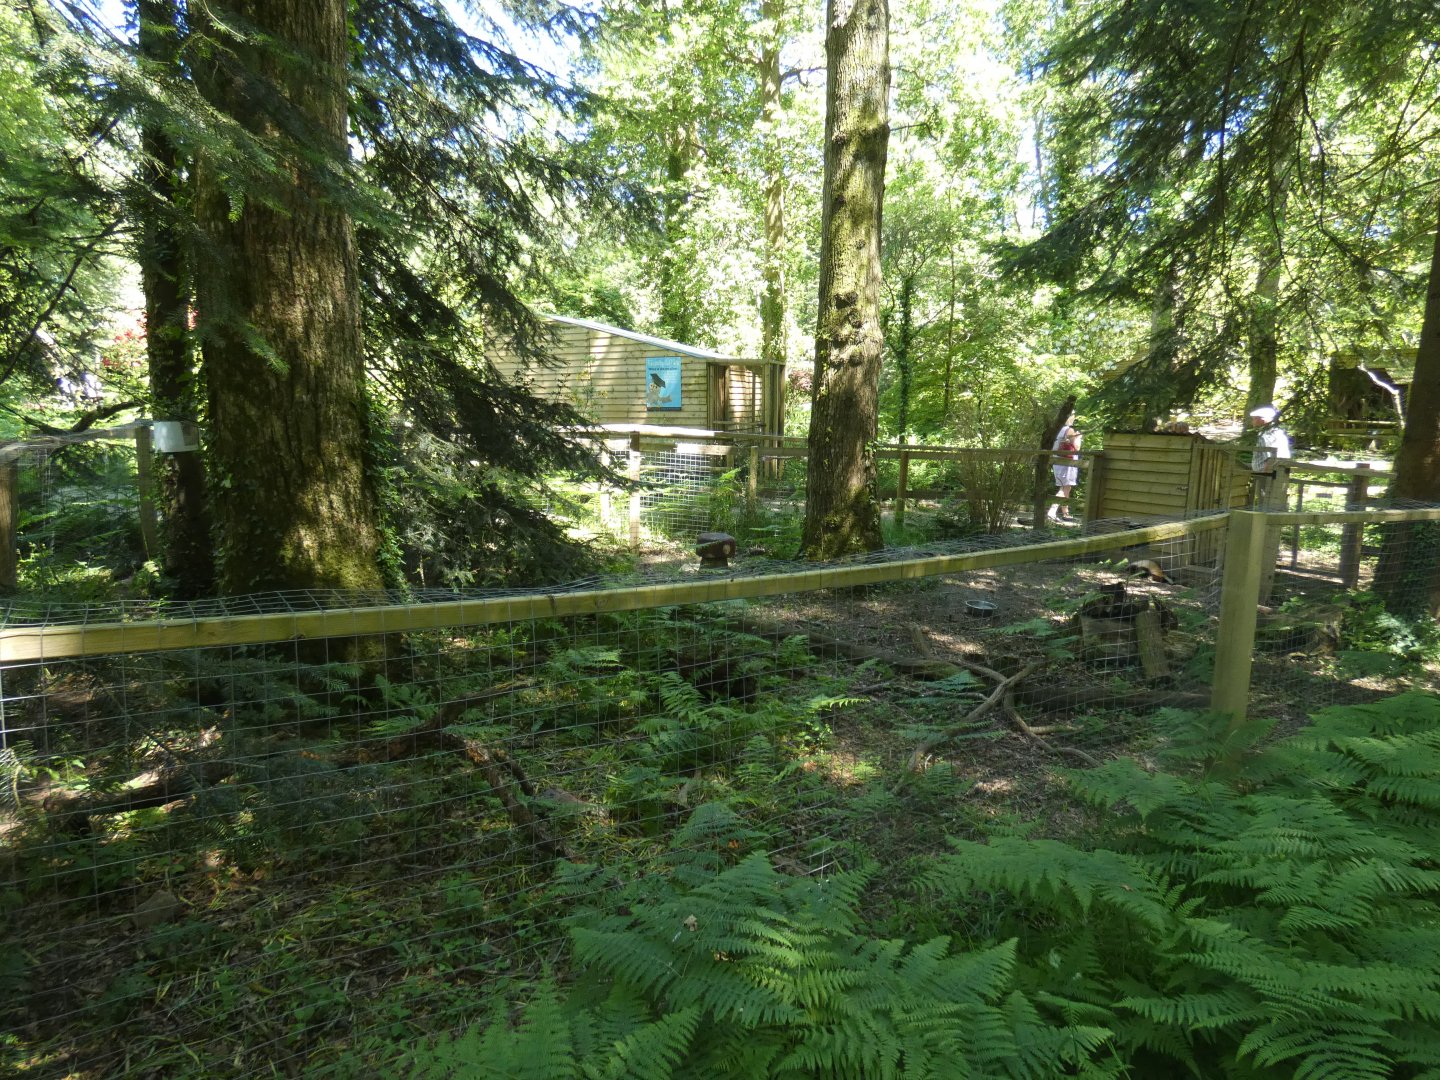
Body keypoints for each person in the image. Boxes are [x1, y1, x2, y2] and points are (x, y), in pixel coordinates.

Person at [1247, 404, 1291, 507]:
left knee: (1265, 501)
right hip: (1280, 472)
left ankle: (1264, 519)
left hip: (1266, 475)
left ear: (1263, 420)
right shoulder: (1278, 432)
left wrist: (1267, 477)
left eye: (1254, 419)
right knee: (1277, 500)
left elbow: (1269, 459)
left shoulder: (1265, 436)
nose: (1252, 422)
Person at [1047, 423, 1081, 522]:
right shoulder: (1069, 430)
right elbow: (1076, 448)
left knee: (1066, 487)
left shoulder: (1056, 429)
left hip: (1057, 460)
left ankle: (1066, 514)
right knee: (1064, 487)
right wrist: (1078, 437)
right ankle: (1052, 512)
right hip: (1067, 462)